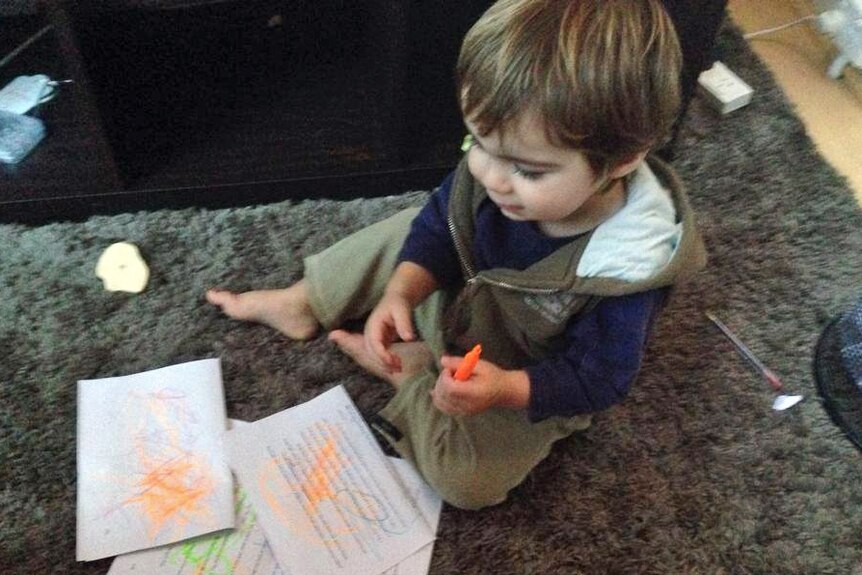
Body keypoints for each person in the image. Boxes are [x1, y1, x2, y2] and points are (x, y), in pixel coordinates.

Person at [206, 0, 707, 509]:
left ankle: (409, 375)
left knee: (469, 483)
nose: (490, 175)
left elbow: (598, 379)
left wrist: (506, 389)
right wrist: (404, 288)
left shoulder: (626, 272)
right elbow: (437, 226)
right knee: (408, 231)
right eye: (478, 143)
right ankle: (305, 299)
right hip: (456, 298)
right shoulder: (498, 166)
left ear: (623, 159)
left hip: (515, 374)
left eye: (529, 171)